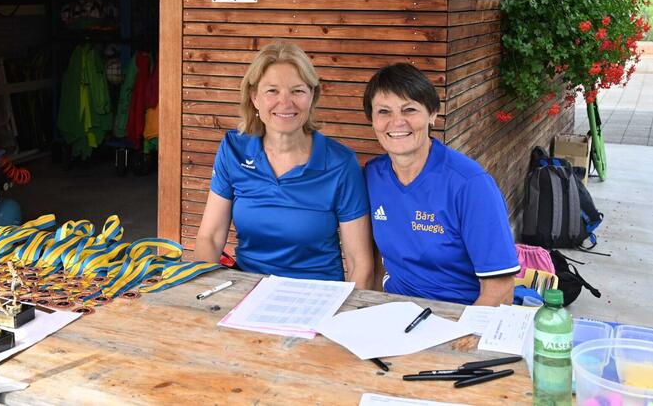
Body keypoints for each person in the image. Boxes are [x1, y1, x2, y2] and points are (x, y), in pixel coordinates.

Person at [193, 41, 372, 287]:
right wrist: (199, 294)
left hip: (317, 296)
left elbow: (359, 262)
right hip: (246, 291)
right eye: (272, 91)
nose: (285, 103)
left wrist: (348, 317)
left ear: (312, 96)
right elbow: (210, 238)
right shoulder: (233, 150)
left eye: (297, 91)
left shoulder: (340, 163)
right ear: (254, 97)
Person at [362, 63, 519, 306]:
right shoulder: (372, 176)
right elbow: (373, 262)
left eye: (409, 109)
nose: (397, 122)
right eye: (384, 111)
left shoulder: (470, 185)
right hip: (395, 312)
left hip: (458, 314)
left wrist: (460, 339)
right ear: (372, 119)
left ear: (432, 113)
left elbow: (499, 290)